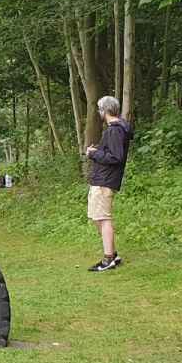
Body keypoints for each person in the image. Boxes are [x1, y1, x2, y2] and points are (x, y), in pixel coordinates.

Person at [83, 95, 131, 272]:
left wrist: (93, 154)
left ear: (105, 110)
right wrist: (97, 150)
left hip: (105, 180)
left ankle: (109, 258)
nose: (98, 113)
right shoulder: (116, 129)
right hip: (103, 179)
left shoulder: (115, 130)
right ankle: (113, 254)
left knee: (103, 218)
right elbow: (112, 152)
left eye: (99, 110)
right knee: (98, 217)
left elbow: (115, 157)